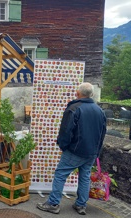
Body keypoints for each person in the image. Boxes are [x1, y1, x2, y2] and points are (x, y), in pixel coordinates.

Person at [36, 82, 106, 215]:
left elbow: (66, 132)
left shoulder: (74, 108)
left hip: (75, 150)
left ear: (78, 93)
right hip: (91, 152)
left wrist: (63, 146)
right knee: (84, 176)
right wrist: (97, 152)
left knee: (60, 174)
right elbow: (102, 133)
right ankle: (81, 205)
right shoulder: (100, 111)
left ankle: (53, 203)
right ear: (91, 95)